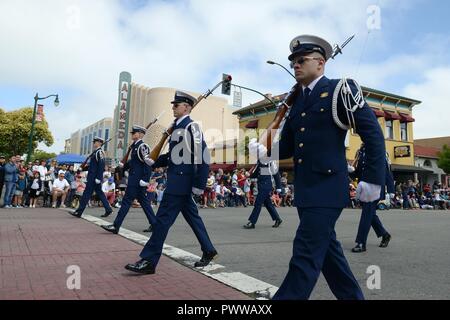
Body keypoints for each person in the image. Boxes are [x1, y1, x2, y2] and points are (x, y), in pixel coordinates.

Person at [250, 35, 386, 300]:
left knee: (305, 255)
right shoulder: (297, 101)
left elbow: (373, 134)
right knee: (328, 256)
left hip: (327, 189)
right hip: (306, 191)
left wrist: (372, 180)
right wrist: (268, 152)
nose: (296, 66)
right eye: (293, 63)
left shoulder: (340, 90)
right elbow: (289, 145)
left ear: (321, 64)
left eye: (302, 61)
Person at [125, 90, 217, 274]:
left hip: (181, 183)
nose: (173, 108)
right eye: (173, 105)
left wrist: (199, 185)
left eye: (176, 105)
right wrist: (154, 161)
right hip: (177, 181)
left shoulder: (192, 127)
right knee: (193, 218)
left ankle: (149, 261)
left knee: (161, 221)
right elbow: (174, 156)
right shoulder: (178, 128)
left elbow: (203, 156)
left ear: (187, 107)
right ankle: (209, 250)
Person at [101, 126, 156, 234]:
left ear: (140, 134)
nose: (132, 134)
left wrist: (145, 179)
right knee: (144, 202)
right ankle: (155, 223)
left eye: (134, 132)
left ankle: (116, 226)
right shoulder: (135, 146)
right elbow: (133, 163)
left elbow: (148, 164)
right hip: (135, 179)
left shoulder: (142, 146)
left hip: (137, 180)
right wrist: (122, 166)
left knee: (126, 201)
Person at [350, 146, 394, 252]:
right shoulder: (361, 152)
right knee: (370, 214)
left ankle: (361, 242)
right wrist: (350, 171)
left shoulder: (377, 149)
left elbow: (386, 171)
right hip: (364, 188)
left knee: (366, 213)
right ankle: (385, 234)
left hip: (375, 188)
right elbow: (359, 172)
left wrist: (391, 189)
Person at [71, 137, 113, 217]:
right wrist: (81, 168)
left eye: (95, 142)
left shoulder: (99, 152)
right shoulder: (96, 152)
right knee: (100, 193)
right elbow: (93, 166)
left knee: (86, 194)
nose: (94, 143)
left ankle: (79, 212)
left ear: (100, 143)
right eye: (94, 142)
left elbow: (101, 165)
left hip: (94, 178)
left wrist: (98, 177)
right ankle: (108, 209)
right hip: (92, 177)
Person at [243, 160, 283, 229]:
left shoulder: (270, 161)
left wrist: (279, 187)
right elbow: (256, 173)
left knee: (258, 204)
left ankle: (252, 222)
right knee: (268, 204)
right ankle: (278, 219)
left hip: (266, 186)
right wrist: (249, 175)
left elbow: (276, 174)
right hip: (261, 186)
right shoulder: (260, 162)